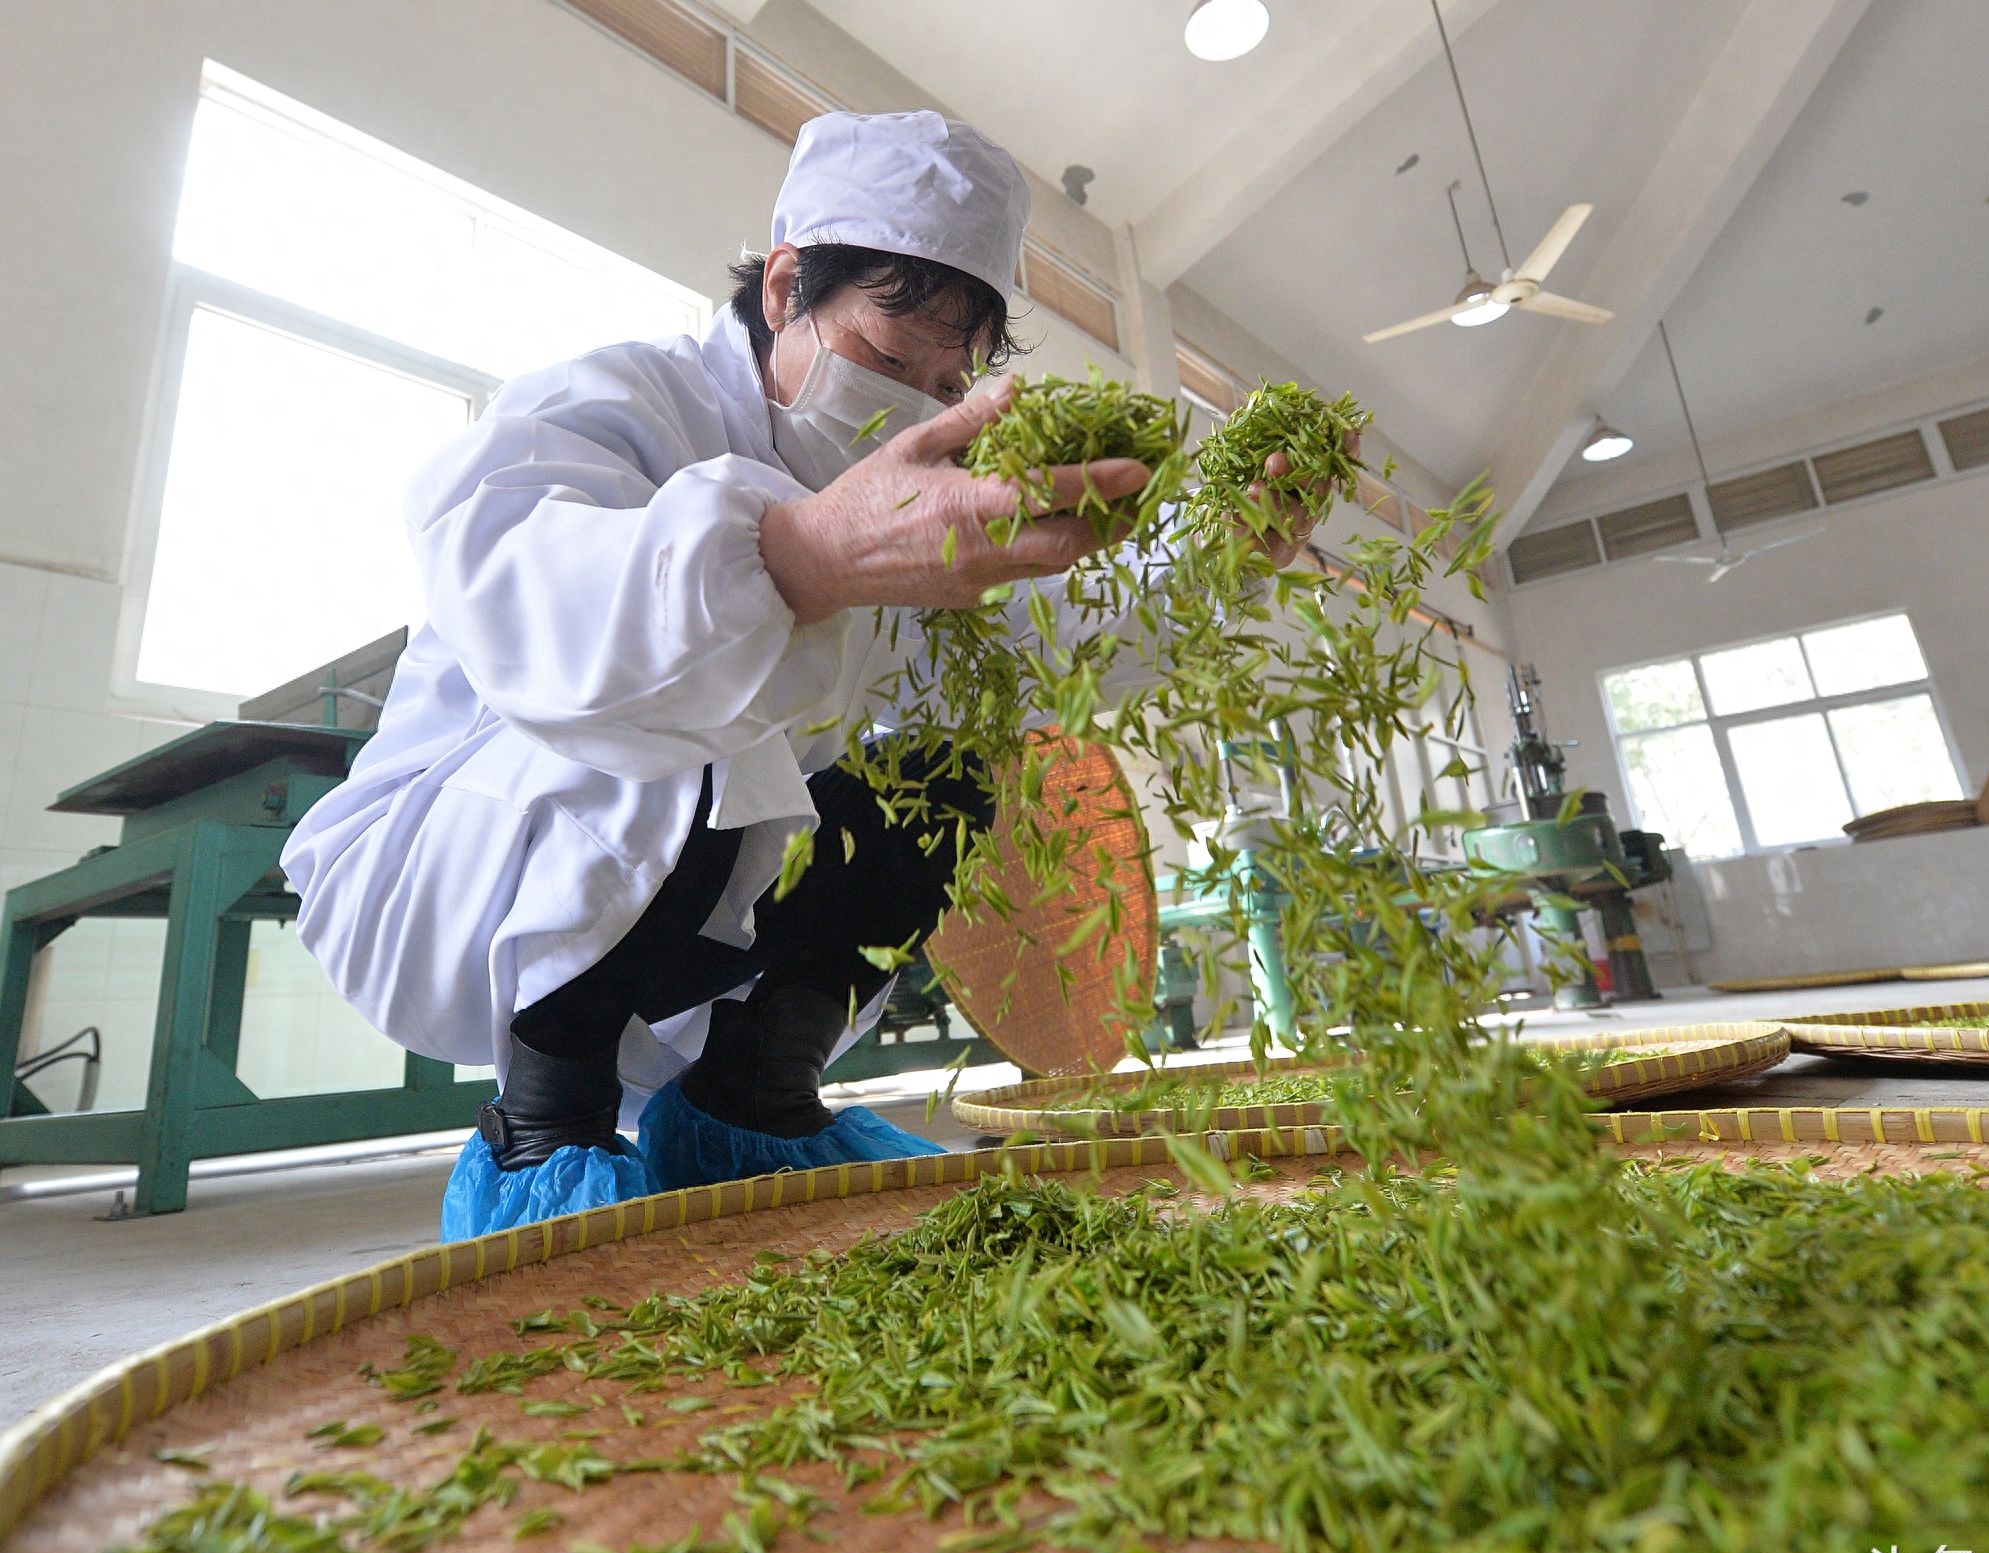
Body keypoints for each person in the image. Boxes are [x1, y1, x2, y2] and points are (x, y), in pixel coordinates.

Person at [280, 112, 1328, 1239]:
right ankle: (549, 1117)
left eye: (949, 376)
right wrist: (796, 555)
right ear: (785, 289)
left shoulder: (929, 486)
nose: (919, 398)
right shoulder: (627, 405)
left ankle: (752, 1095)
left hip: (690, 906)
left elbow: (1047, 639)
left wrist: (1220, 565)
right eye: (888, 358)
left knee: (951, 753)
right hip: (453, 869)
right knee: (707, 673)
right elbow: (531, 596)